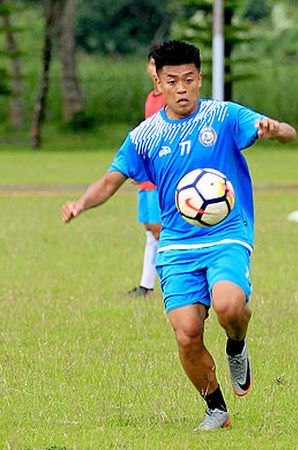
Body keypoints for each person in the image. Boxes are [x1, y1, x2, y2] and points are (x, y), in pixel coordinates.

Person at [61, 40, 297, 431]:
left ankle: (236, 345)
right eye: (173, 81)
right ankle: (216, 409)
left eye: (189, 79)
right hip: (177, 244)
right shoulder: (145, 137)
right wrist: (81, 204)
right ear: (159, 82)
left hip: (226, 234)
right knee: (187, 335)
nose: (182, 88)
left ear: (200, 79)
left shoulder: (223, 116)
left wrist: (275, 130)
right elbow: (109, 181)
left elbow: (288, 132)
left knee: (229, 307)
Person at [125, 45, 167, 298]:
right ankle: (146, 285)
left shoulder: (171, 99)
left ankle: (170, 284)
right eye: (152, 63)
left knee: (158, 228)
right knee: (151, 231)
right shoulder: (151, 99)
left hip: (160, 175)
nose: (155, 69)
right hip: (147, 175)